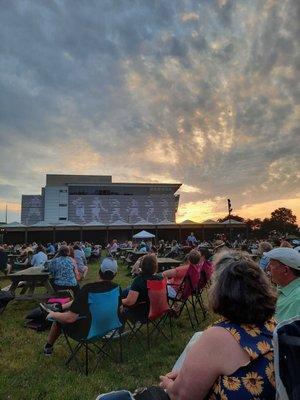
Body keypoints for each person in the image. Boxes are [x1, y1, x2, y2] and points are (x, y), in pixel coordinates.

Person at [158, 251, 277, 399]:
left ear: (221, 292)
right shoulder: (274, 325)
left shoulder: (219, 337)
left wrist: (168, 384)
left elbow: (182, 396)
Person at [43, 257, 120, 355]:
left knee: (59, 321)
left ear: (99, 271)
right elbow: (119, 310)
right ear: (115, 274)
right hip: (107, 329)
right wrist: (62, 307)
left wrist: (54, 314)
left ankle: (48, 348)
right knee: (70, 311)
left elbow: (70, 318)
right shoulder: (117, 288)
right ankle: (60, 307)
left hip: (88, 333)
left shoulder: (88, 289)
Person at [122, 254, 163, 322]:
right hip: (158, 311)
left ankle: (118, 331)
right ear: (155, 266)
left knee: (119, 306)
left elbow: (129, 302)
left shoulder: (139, 280)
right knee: (128, 290)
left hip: (142, 314)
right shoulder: (160, 279)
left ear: (142, 266)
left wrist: (118, 301)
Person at [265, 247, 300, 323]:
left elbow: (283, 331)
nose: (267, 268)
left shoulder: (297, 300)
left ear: (285, 270)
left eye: (271, 265)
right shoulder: (284, 288)